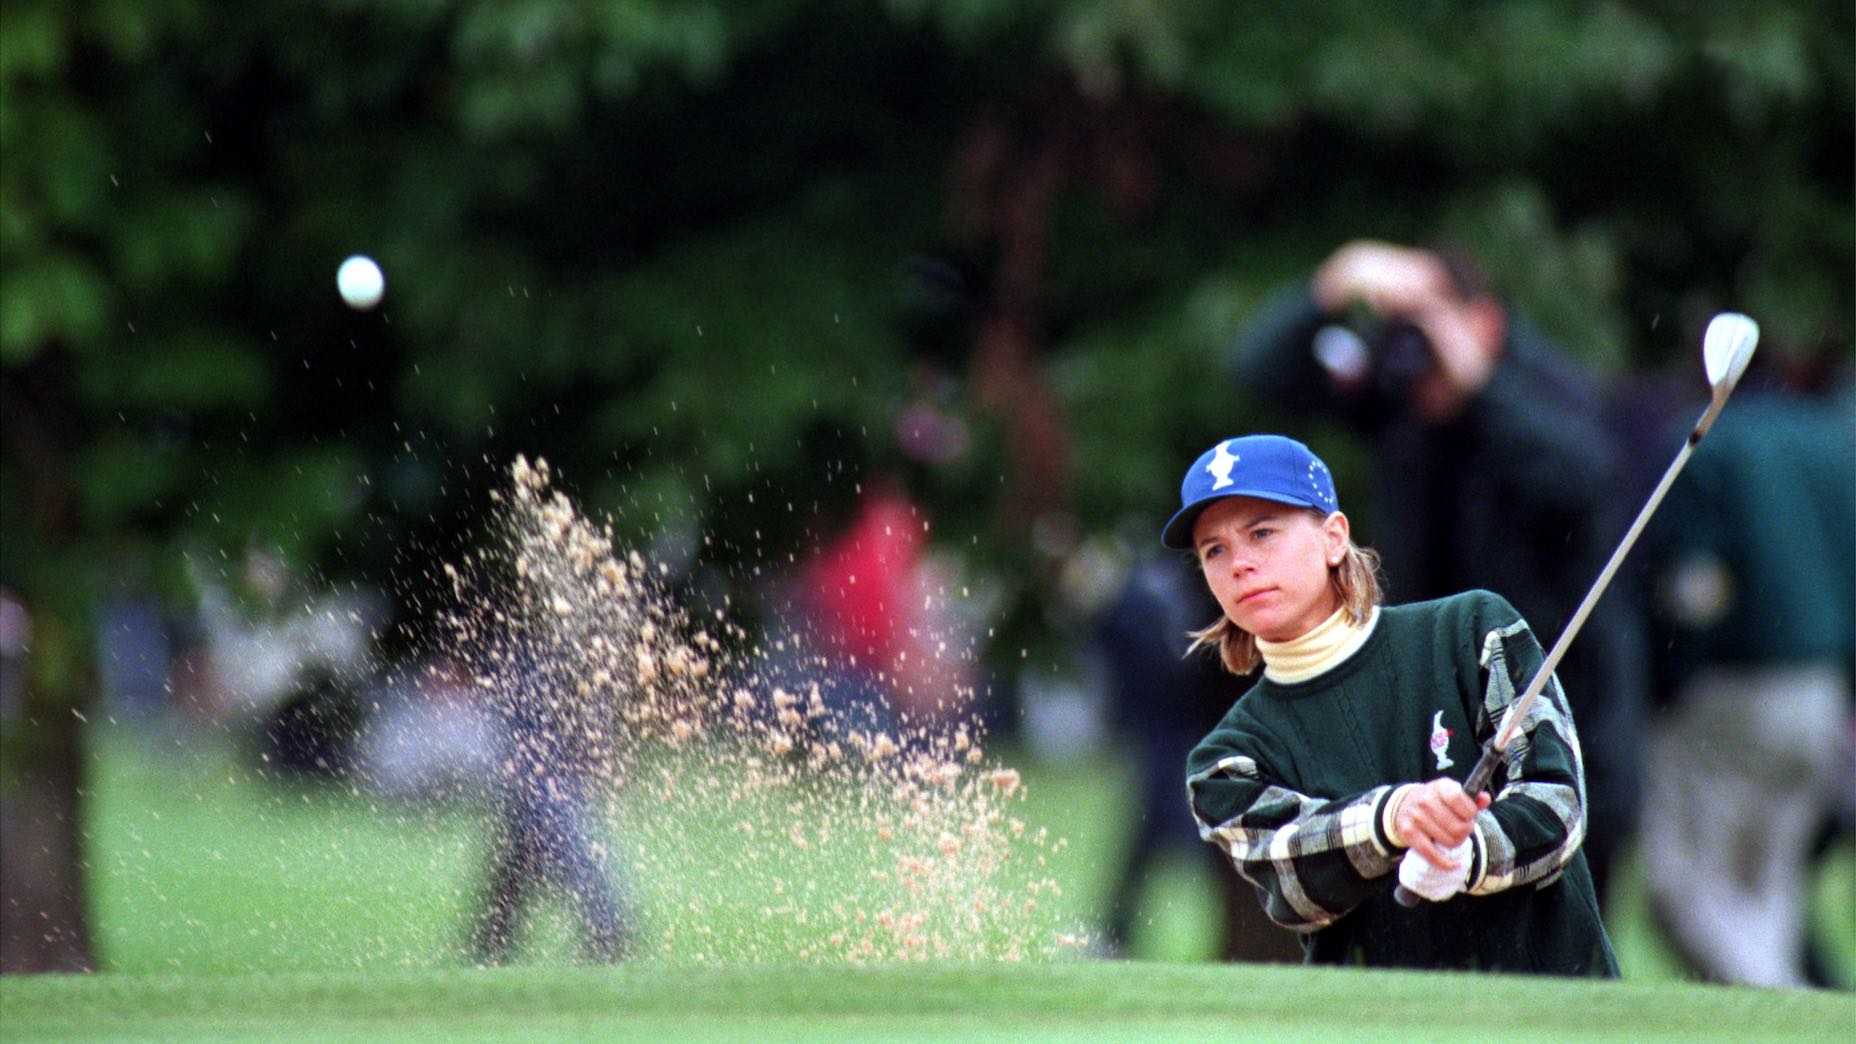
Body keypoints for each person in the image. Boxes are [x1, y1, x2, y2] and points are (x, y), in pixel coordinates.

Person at [1227, 241, 1646, 903]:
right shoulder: (1401, 393)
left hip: (1568, 714)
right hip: (1439, 714)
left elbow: (1583, 483)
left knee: (1561, 936)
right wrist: (1332, 286)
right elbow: (1262, 374)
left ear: (1482, 320)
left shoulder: (1547, 391)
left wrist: (1478, 385)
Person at [1175, 434, 1616, 976]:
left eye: (1262, 533)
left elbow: (1558, 805)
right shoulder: (1222, 763)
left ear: (1334, 537)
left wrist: (1468, 852)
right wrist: (1393, 818)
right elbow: (1295, 885)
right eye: (1214, 549)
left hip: (1558, 1011)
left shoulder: (1475, 629)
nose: (1239, 563)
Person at [1639, 363, 1854, 988]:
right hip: (1822, 694)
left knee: (1684, 891)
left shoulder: (1708, 444)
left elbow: (1696, 589)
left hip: (1731, 696)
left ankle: (1776, 1017)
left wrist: (1667, 681)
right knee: (1768, 898)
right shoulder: (1831, 445)